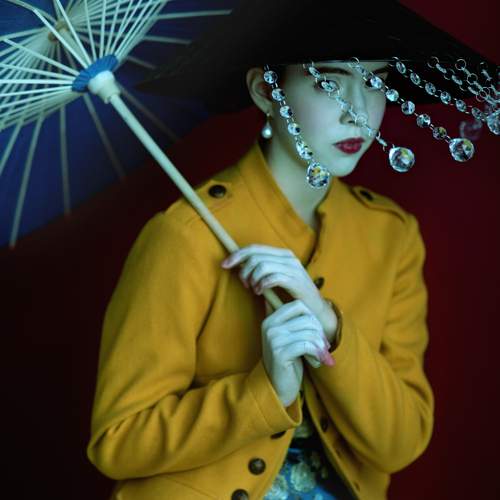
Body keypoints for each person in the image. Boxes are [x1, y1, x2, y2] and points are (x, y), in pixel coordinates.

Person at [86, 2, 496, 499]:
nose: (358, 111)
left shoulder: (391, 236)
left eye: (376, 82)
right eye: (329, 81)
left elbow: (401, 443)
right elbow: (118, 441)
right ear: (265, 89)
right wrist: (265, 392)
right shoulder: (186, 235)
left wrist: (329, 324)